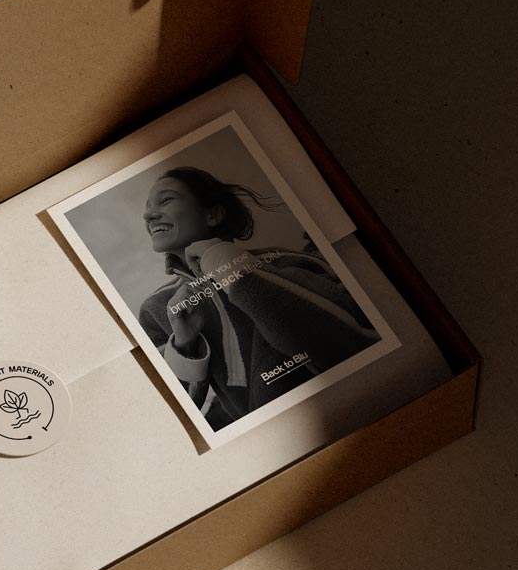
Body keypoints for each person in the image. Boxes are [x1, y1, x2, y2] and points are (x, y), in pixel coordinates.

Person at [135, 166, 378, 428]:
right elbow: (169, 415)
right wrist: (183, 344)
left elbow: (350, 342)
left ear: (213, 214)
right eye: (148, 207)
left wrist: (232, 268)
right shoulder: (156, 309)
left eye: (166, 200)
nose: (149, 215)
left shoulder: (288, 262)